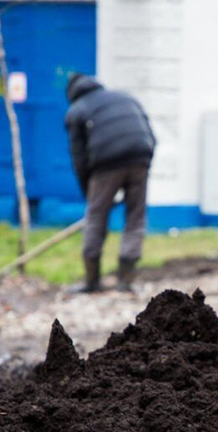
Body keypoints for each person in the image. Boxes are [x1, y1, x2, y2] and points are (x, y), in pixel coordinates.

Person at [65, 73, 156, 293]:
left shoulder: (76, 110)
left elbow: (79, 157)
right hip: (140, 156)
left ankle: (92, 282)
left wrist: (90, 194)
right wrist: (141, 169)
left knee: (96, 217)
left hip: (106, 163)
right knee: (135, 217)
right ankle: (125, 281)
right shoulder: (125, 97)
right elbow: (150, 134)